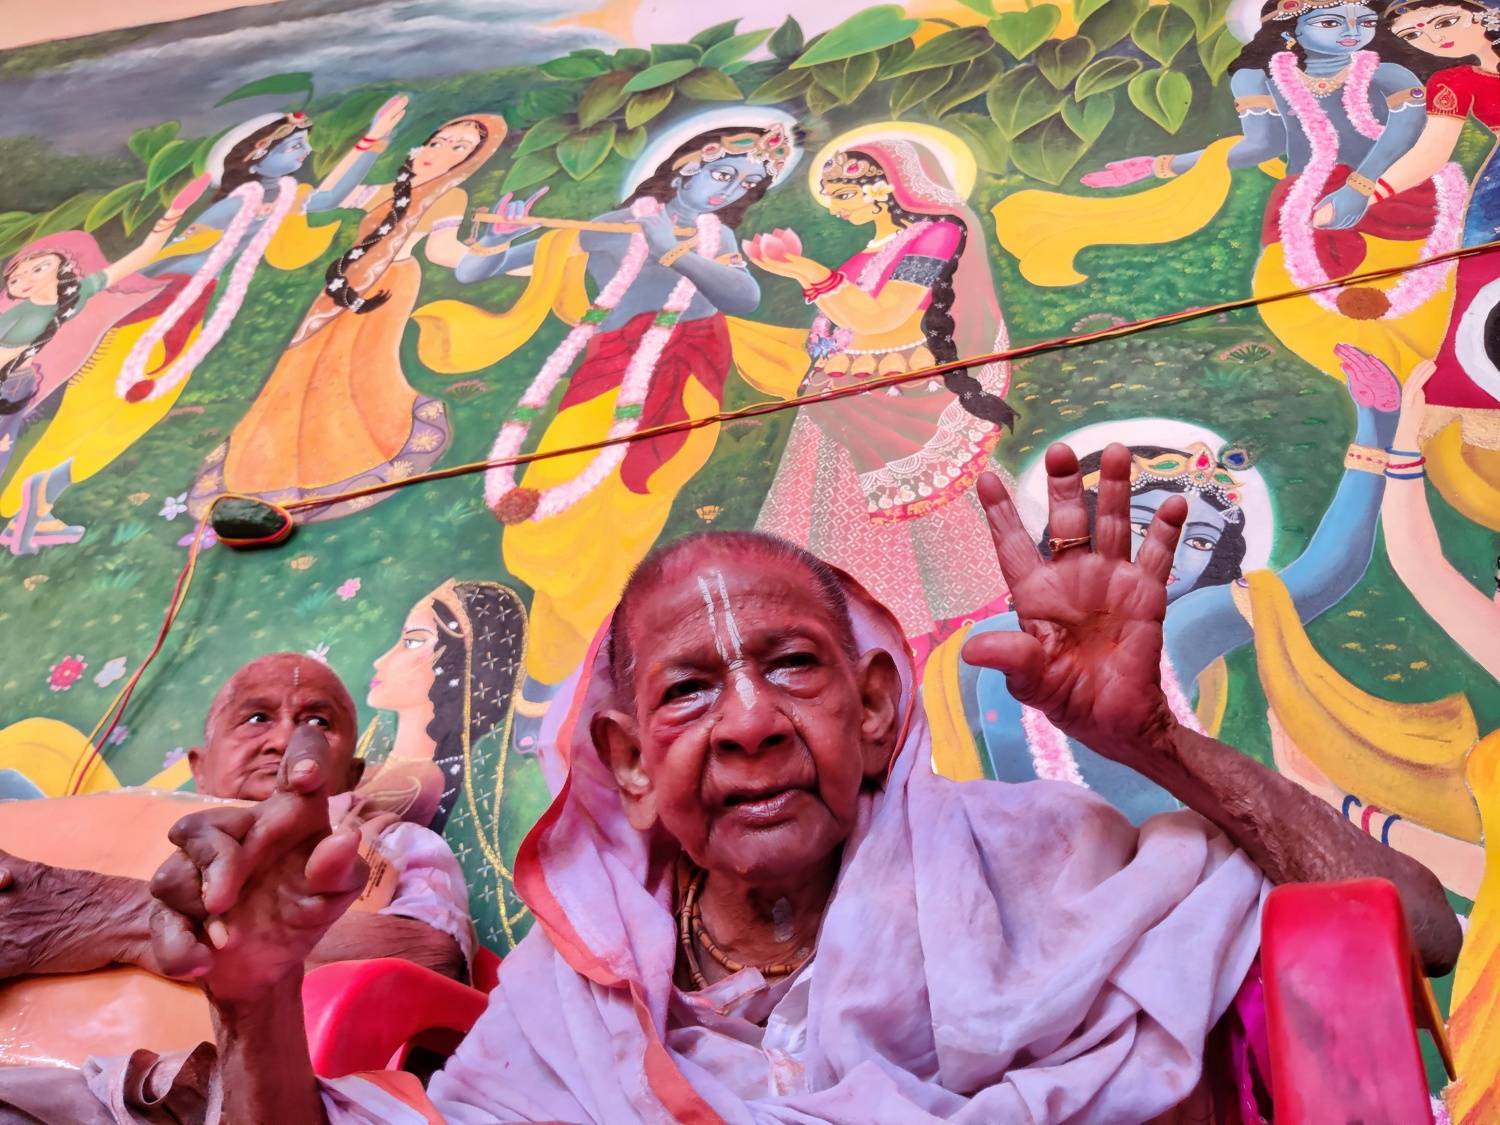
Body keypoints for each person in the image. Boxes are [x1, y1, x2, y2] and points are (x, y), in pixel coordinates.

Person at [137, 450, 1458, 1124]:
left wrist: (1157, 741)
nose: (752, 724)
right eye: (689, 691)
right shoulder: (574, 993)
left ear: (876, 710)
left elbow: (1411, 930)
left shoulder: (1047, 855)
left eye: (791, 666)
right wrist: (257, 1007)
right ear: (628, 766)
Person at [428, 109, 800, 751]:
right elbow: (473, 273)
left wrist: (674, 251)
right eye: (722, 173)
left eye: (745, 185)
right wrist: (496, 241)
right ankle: (555, 685)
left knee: (618, 537)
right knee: (553, 524)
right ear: (685, 166)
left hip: (681, 396)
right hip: (601, 383)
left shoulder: (714, 240)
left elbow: (743, 298)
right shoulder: (606, 226)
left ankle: (563, 691)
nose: (730, 190)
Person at [996, 0, 1456, 386]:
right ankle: (1383, 391)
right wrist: (1161, 165)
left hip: (1395, 196)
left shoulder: (1390, 74)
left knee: (1421, 304)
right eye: (1333, 21)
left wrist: (1360, 188)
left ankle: (1430, 392)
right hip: (1305, 203)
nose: (1353, 32)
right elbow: (1261, 145)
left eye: (1364, 21)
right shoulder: (1257, 79)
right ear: (1290, 29)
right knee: (1286, 300)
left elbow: (1403, 135)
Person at [0, 104, 392, 555]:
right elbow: (161, 260)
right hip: (149, 315)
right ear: (255, 157)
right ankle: (26, 510)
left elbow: (324, 198)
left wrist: (372, 138)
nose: (306, 152)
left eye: (304, 144)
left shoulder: (281, 197)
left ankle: (37, 509)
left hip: (186, 315)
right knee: (91, 418)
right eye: (293, 146)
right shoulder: (237, 205)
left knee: (126, 424)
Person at [0, 653, 473, 989]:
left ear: (351, 775)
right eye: (257, 718)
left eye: (318, 723)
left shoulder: (387, 841)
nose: (285, 740)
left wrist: (118, 915)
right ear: (200, 767)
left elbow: (430, 963)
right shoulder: (101, 828)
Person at [749, 125, 1018, 651]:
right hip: (843, 398)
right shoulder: (865, 254)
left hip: (900, 399)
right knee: (836, 527)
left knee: (929, 531)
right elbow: (842, 322)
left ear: (886, 186)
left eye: (843, 193)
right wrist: (806, 279)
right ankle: (863, 636)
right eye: (829, 195)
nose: (835, 208)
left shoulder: (937, 233)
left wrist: (804, 269)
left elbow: (881, 316)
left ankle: (936, 639)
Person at [186, 112, 506, 522]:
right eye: (437, 141)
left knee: (356, 375)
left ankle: (347, 461)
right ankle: (266, 469)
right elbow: (330, 197)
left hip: (386, 288)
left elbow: (444, 253)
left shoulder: (448, 196)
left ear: (471, 160)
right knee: (300, 371)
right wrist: (372, 137)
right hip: (339, 288)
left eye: (458, 147)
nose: (440, 151)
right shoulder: (387, 190)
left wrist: (499, 250)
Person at [1342, 0, 1500, 530]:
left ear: (1483, 15)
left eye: (1444, 21)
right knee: (1483, 306)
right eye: (1415, 34)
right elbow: (1431, 151)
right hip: (1497, 203)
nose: (1434, 38)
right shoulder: (1456, 82)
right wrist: (1365, 193)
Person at [357, 579, 550, 952]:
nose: (382, 660)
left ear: (461, 663)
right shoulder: (368, 770)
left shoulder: (429, 785)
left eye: (412, 641)